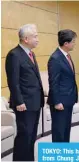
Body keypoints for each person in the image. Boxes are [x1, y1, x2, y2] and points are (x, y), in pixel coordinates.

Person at [5, 24, 44, 161]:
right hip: (24, 104)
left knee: (32, 136)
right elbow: (13, 81)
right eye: (35, 36)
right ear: (26, 39)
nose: (38, 39)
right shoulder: (14, 54)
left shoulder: (30, 53)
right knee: (24, 135)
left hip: (35, 102)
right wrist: (19, 101)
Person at [47, 29, 78, 142]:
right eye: (73, 42)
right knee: (59, 132)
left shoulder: (66, 56)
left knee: (66, 131)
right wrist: (57, 102)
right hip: (60, 102)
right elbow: (53, 82)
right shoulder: (55, 58)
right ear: (66, 43)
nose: (75, 44)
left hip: (68, 100)